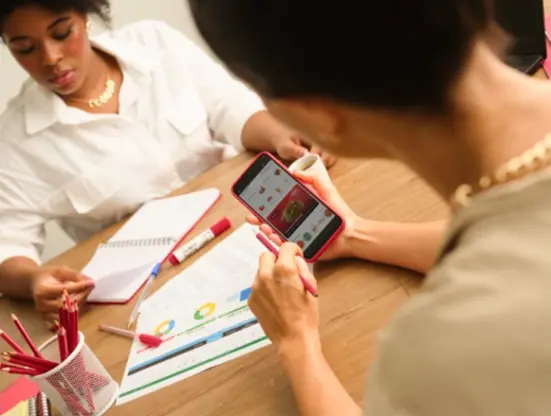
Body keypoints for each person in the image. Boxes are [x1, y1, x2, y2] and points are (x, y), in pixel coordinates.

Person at [189, 0, 551, 414]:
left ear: (317, 116)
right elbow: (516, 243)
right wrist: (356, 234)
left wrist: (296, 344)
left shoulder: (441, 350)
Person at [0, 0, 337, 324]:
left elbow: (230, 108)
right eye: (25, 48)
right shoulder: (16, 140)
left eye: (62, 33)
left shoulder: (153, 42)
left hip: (249, 226)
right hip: (156, 291)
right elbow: (7, 243)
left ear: (85, 15)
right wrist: (33, 280)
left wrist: (282, 135)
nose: (51, 58)